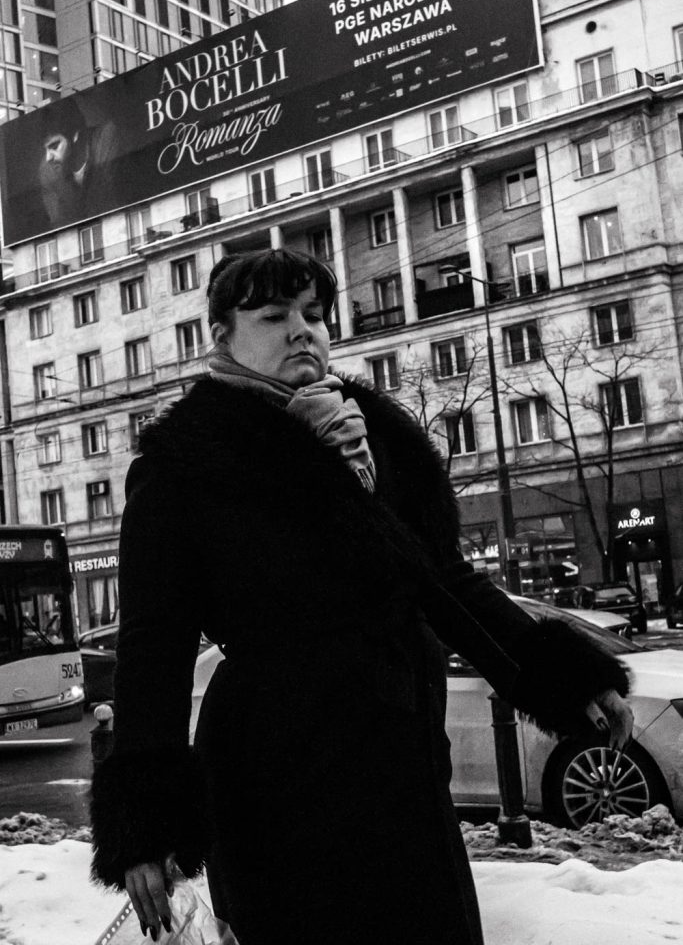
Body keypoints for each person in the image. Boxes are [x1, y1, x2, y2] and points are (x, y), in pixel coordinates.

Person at [90, 249, 633, 945]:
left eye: (314, 314)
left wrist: (568, 678)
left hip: (404, 769)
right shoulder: (184, 464)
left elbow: (447, 584)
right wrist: (146, 825)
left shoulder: (371, 438)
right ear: (222, 336)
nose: (302, 331)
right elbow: (154, 648)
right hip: (275, 783)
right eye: (273, 316)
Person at [37, 97, 120, 227]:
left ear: (75, 135)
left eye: (54, 146)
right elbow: (61, 226)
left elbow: (111, 203)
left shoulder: (105, 139)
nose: (48, 158)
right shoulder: (47, 171)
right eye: (46, 149)